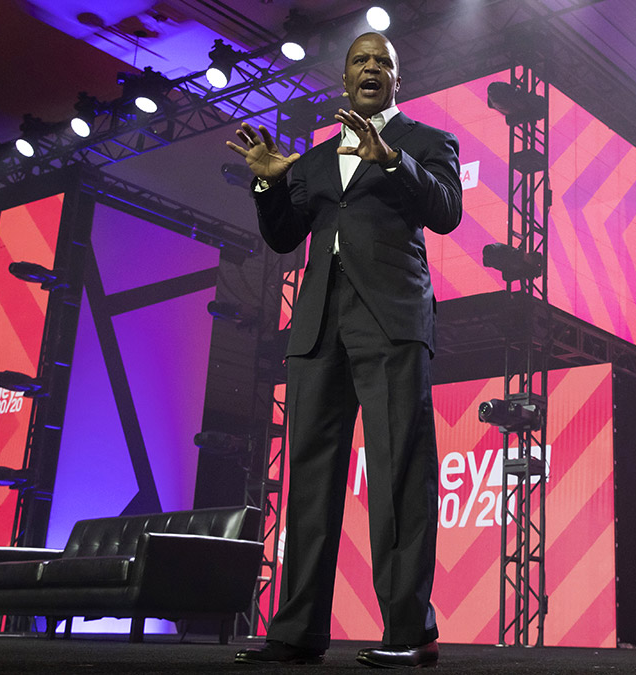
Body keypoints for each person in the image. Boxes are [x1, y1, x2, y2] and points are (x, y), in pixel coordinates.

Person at [228, 31, 462, 669]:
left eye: (383, 61)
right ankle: (298, 630)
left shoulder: (426, 142)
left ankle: (410, 632)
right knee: (307, 478)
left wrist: (391, 159)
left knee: (398, 476)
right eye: (360, 60)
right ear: (344, 78)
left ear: (395, 80)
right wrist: (268, 185)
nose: (371, 68)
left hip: (390, 318)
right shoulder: (316, 156)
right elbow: (283, 237)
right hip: (319, 323)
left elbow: (446, 213)